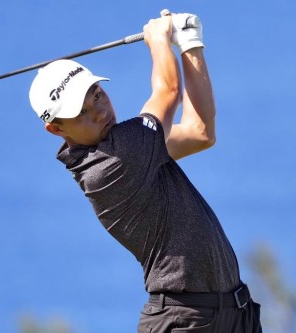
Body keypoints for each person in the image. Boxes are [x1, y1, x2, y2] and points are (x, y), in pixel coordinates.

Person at [29, 9, 262, 333]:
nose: (99, 111)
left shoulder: (135, 147)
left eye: (97, 94)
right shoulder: (114, 161)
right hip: (184, 320)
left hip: (233, 313)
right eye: (81, 112)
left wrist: (190, 45)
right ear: (56, 129)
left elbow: (199, 131)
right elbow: (167, 92)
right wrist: (159, 39)